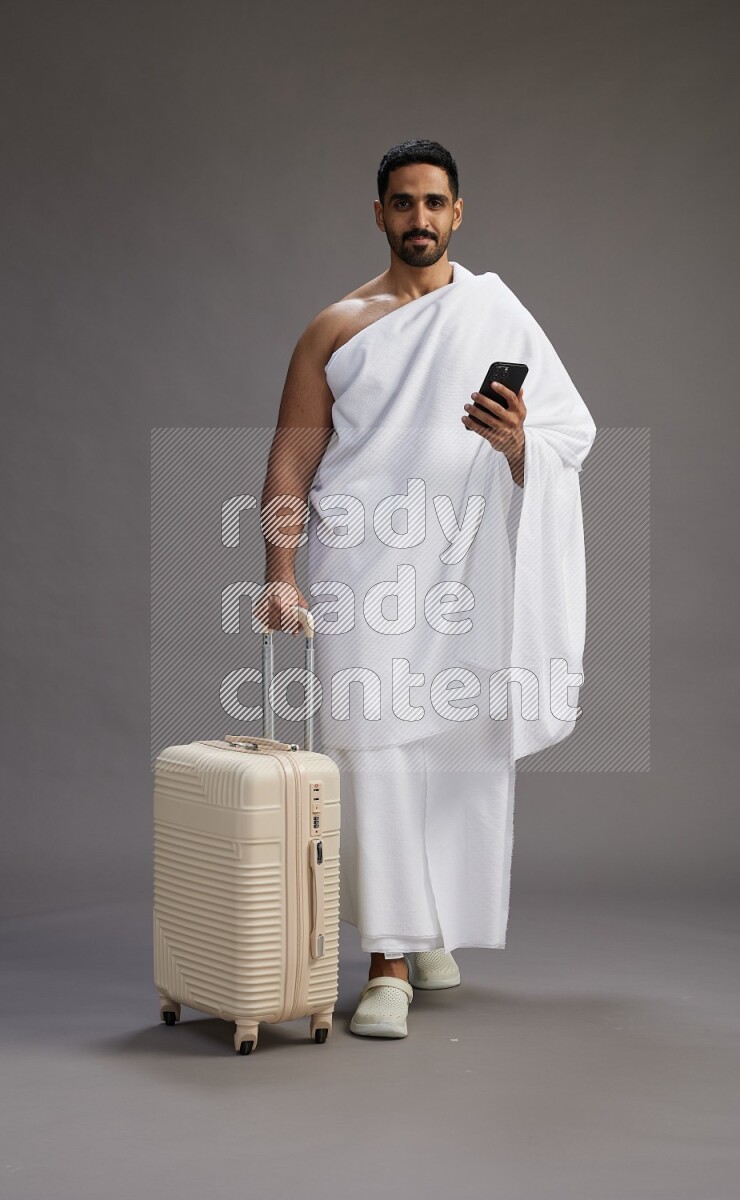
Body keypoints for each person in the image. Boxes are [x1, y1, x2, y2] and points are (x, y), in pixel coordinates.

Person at [255, 139, 596, 1039]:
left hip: (467, 566)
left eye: (434, 203)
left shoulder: (497, 313)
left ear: (457, 213)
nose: (419, 219)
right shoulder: (336, 326)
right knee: (372, 753)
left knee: (454, 750)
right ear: (378, 214)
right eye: (401, 204)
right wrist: (281, 573)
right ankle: (388, 961)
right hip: (363, 572)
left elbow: (569, 433)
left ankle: (430, 925)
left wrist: (518, 443)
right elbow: (292, 460)